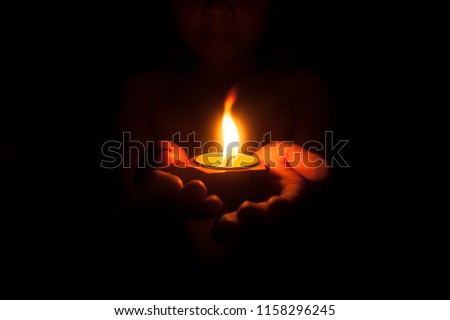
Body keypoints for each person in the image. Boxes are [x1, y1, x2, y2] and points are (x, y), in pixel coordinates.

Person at [114, 0, 333, 274]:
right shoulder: (142, 89)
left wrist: (320, 197)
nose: (217, 8)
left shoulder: (303, 87)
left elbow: (320, 201)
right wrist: (148, 209)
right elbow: (124, 209)